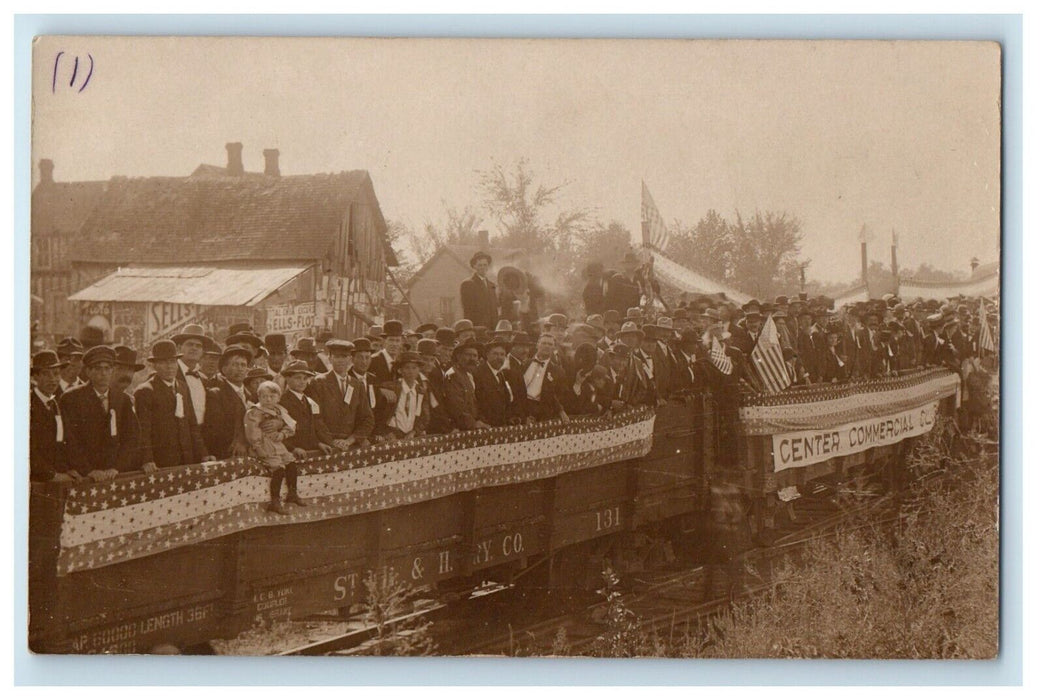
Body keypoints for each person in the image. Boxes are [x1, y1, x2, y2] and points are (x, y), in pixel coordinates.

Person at [60, 345, 140, 480]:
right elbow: (70, 440)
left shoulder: (122, 399)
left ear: (112, 371)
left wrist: (117, 467)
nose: (103, 373)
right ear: (88, 372)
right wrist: (88, 470)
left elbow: (132, 437)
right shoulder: (71, 398)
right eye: (98, 368)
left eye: (107, 368)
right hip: (85, 476)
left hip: (113, 474)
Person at [134, 340, 212, 471]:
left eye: (172, 362)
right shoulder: (145, 391)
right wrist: (147, 459)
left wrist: (203, 454)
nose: (169, 366)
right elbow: (143, 430)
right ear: (155, 366)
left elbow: (192, 424)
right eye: (163, 362)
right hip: (160, 462)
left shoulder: (182, 386)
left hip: (186, 458)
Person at [244, 381, 302, 515]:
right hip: (265, 444)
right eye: (264, 396)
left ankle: (292, 493)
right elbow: (252, 430)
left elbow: (291, 425)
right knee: (278, 470)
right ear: (259, 397)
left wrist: (283, 433)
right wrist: (257, 447)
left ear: (278, 398)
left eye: (272, 396)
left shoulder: (280, 410)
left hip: (278, 443)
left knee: (291, 463)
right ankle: (275, 501)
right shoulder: (254, 412)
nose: (268, 399)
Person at [305, 339, 375, 449]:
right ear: (330, 359)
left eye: (344, 357)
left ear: (350, 360)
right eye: (337, 357)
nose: (340, 360)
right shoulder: (318, 382)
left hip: (350, 445)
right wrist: (331, 442)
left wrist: (351, 440)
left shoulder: (357, 385)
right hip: (328, 445)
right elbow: (315, 418)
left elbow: (367, 419)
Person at [202, 345, 254, 459]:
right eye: (235, 364)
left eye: (243, 365)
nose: (240, 369)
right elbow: (217, 430)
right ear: (224, 370)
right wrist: (239, 442)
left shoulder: (251, 395)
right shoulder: (216, 394)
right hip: (227, 454)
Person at [279, 360, 337, 456]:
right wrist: (293, 448)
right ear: (288, 379)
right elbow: (280, 431)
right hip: (293, 452)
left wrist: (323, 443)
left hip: (310, 450)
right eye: (298, 378)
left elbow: (314, 427)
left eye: (305, 378)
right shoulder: (282, 401)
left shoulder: (309, 400)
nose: (302, 382)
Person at [30, 350, 68, 482]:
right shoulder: (28, 405)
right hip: (36, 481)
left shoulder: (54, 404)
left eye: (56, 374)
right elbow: (29, 451)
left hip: (55, 477)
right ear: (35, 377)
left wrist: (67, 469)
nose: (52, 379)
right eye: (46, 374)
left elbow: (58, 444)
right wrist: (52, 475)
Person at [378, 351, 431, 441]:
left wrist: (414, 432)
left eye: (414, 368)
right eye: (407, 368)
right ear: (400, 370)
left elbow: (425, 417)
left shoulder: (421, 392)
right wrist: (386, 432)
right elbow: (379, 414)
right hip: (392, 436)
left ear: (419, 370)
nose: (411, 371)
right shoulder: (390, 388)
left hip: (410, 437)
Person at [522, 334, 570, 423]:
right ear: (537, 345)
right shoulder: (524, 364)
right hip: (522, 408)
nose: (547, 346)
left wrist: (560, 411)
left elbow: (560, 395)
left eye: (550, 344)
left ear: (554, 348)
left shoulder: (558, 371)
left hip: (543, 412)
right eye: (544, 343)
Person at [443, 340, 488, 431]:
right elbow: (456, 406)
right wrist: (473, 424)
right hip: (461, 428)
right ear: (458, 356)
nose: (472, 359)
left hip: (472, 426)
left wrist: (481, 421)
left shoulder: (469, 375)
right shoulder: (453, 375)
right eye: (468, 355)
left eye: (475, 356)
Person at [473, 338, 518, 427]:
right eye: (495, 354)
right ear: (487, 355)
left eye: (502, 354)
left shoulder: (500, 374)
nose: (499, 357)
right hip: (486, 426)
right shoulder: (478, 374)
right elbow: (476, 402)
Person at [459, 251, 500, 329]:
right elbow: (468, 310)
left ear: (488, 266)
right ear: (474, 266)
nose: (483, 267)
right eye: (480, 265)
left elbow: (494, 309)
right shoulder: (468, 284)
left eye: (485, 265)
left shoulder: (492, 285)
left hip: (493, 329)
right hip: (477, 328)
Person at [370, 320, 404, 385]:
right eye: (391, 340)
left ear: (401, 343)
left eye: (397, 341)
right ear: (384, 341)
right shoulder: (373, 361)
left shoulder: (402, 362)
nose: (394, 344)